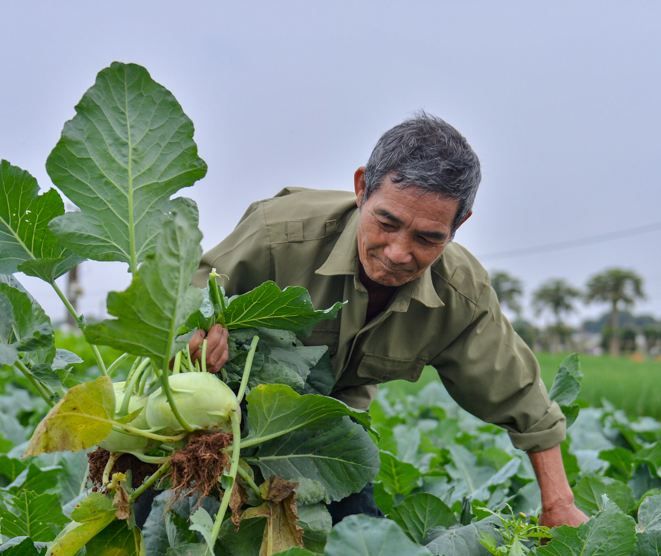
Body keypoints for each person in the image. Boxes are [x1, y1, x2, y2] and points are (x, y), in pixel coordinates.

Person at [187, 112, 587, 529]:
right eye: (387, 223)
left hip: (324, 432)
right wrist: (195, 339)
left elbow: (521, 398)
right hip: (213, 421)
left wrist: (558, 504)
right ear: (362, 188)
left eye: (428, 238)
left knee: (359, 550)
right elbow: (187, 304)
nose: (398, 252)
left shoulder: (460, 294)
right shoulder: (279, 234)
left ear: (458, 225)